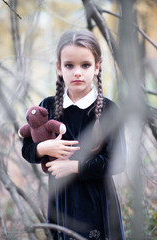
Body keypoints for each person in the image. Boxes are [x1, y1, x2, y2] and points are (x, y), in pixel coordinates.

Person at [22, 29, 126, 240]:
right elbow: (27, 148)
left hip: (97, 206)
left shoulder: (109, 111)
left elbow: (118, 161)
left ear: (97, 67)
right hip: (61, 205)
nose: (77, 72)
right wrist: (43, 148)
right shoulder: (47, 107)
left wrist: (74, 166)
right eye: (70, 65)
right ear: (59, 68)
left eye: (85, 65)